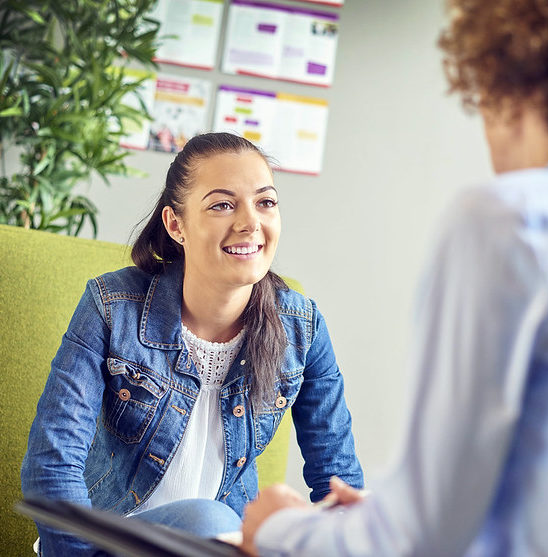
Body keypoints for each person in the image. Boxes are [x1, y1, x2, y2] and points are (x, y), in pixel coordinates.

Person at [240, 1, 548, 555]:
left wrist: (275, 526)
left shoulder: (513, 221)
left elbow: (416, 541)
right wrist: (390, 515)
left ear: (506, 86)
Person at [21, 132, 363, 555]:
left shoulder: (302, 328)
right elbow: (52, 463)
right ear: (175, 224)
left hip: (218, 548)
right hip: (104, 544)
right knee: (209, 520)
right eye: (222, 204)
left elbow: (338, 479)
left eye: (266, 202)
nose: (249, 223)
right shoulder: (112, 307)